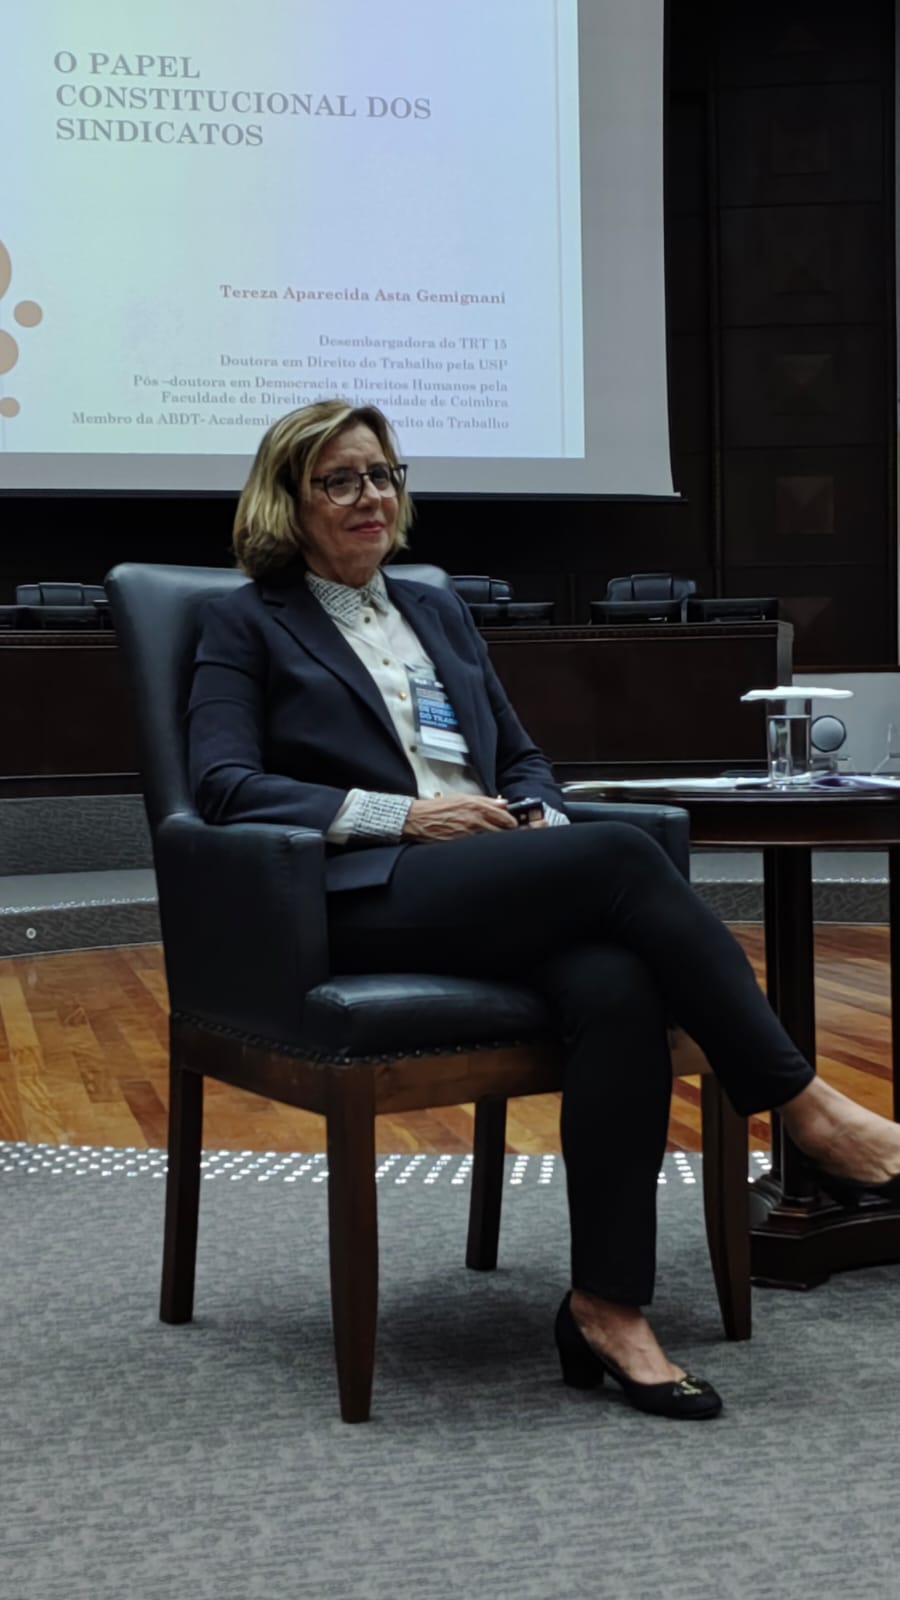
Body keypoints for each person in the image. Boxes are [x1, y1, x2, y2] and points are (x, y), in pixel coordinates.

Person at [188, 399, 900, 1421]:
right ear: (287, 503)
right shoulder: (247, 621)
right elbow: (222, 785)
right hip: (362, 889)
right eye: (338, 480)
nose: (370, 496)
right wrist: (407, 816)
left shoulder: (434, 611)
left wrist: (534, 817)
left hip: (488, 878)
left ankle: (606, 1307)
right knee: (617, 854)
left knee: (615, 983)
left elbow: (520, 758)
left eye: (382, 474)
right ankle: (808, 1110)